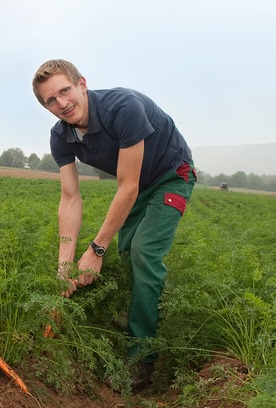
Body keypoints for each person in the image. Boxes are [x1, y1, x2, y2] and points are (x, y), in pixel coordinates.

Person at [32, 59, 196, 391]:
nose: (61, 103)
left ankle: (142, 358)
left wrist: (95, 248)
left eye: (65, 91)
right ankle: (129, 320)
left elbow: (128, 187)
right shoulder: (61, 137)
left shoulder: (124, 108)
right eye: (51, 100)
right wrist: (65, 265)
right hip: (135, 184)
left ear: (82, 84)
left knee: (143, 252)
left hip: (170, 176)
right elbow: (70, 198)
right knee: (124, 255)